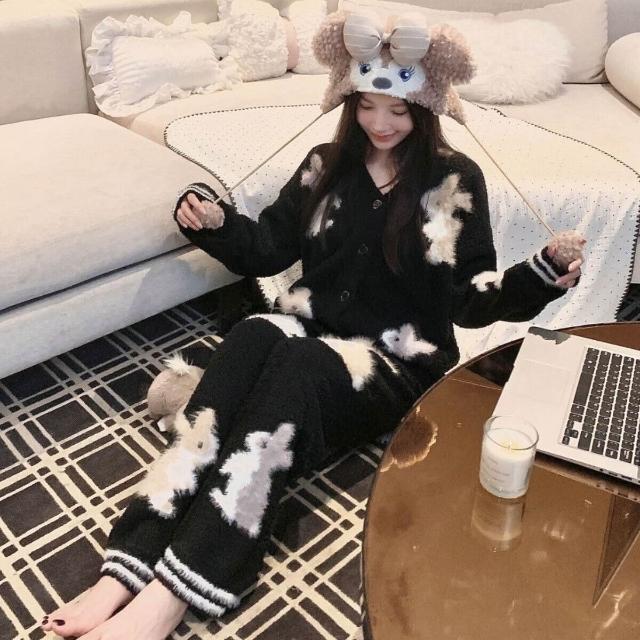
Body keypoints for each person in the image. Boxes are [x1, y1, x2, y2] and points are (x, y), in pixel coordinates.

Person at [42, 10, 583, 640]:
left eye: (399, 110)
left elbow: (471, 300)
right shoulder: (324, 163)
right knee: (251, 335)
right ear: (349, 99)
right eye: (367, 106)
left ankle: (174, 590)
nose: (380, 123)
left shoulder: (454, 180)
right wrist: (216, 223)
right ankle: (128, 563)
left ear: (426, 106)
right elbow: (269, 247)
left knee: (295, 370)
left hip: (394, 360)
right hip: (309, 327)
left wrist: (540, 275)